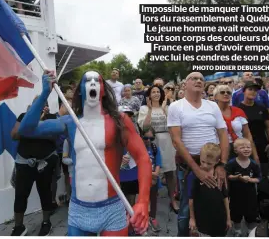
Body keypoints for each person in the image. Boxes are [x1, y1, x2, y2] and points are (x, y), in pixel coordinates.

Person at [18, 70, 151, 236]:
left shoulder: (119, 120)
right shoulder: (70, 122)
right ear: (80, 89)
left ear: (103, 89)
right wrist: (45, 91)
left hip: (111, 208)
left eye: (98, 80)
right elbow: (25, 129)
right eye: (88, 81)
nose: (93, 83)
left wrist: (143, 201)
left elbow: (143, 158)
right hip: (79, 208)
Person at [167, 72, 229, 237]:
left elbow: (223, 134)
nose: (199, 80)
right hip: (190, 165)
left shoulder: (212, 106)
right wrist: (197, 170)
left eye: (201, 79)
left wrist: (222, 164)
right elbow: (176, 141)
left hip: (214, 164)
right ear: (184, 84)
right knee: (187, 208)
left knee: (216, 203)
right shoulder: (176, 106)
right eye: (194, 78)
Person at [10, 96, 58, 236]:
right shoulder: (24, 116)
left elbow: (53, 137)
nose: (41, 105)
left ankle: (46, 222)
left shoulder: (51, 118)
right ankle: (19, 227)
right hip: (24, 162)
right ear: (31, 105)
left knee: (45, 193)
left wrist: (36, 125)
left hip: (45, 161)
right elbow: (14, 135)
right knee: (20, 195)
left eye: (43, 103)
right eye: (37, 103)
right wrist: (30, 121)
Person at [138, 85, 179, 217]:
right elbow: (145, 126)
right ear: (149, 95)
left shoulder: (167, 107)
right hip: (151, 142)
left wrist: (164, 109)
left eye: (158, 92)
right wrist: (150, 110)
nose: (156, 94)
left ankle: (172, 199)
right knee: (151, 172)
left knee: (170, 172)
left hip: (167, 140)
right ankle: (149, 201)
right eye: (153, 92)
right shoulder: (144, 108)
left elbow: (173, 123)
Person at [188, 143, 232, 237]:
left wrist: (228, 218)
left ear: (217, 161)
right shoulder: (194, 176)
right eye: (202, 161)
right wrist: (192, 219)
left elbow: (225, 197)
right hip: (202, 217)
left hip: (219, 217)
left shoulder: (220, 175)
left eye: (209, 163)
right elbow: (191, 199)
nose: (204, 165)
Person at [213, 84, 259, 162]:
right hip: (220, 149)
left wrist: (255, 155)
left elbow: (247, 134)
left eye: (228, 92)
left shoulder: (239, 111)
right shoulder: (211, 113)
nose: (226, 94)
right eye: (222, 92)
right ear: (215, 97)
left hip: (241, 148)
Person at [238, 81, 269, 177]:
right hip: (245, 144)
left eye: (255, 90)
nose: (253, 92)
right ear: (243, 91)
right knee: (248, 172)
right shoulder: (238, 108)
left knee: (264, 171)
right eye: (250, 89)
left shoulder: (261, 108)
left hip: (262, 143)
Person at [226, 138, 261, 236]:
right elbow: (228, 176)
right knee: (236, 214)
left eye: (248, 147)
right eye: (242, 147)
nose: (246, 149)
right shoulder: (232, 163)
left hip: (250, 195)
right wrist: (237, 177)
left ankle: (251, 231)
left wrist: (250, 180)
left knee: (251, 214)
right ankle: (237, 230)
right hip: (235, 195)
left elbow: (258, 178)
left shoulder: (253, 164)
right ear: (236, 150)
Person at [141, 127, 163, 233]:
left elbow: (158, 162)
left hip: (153, 178)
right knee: (143, 199)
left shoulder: (154, 148)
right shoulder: (139, 148)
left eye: (151, 138)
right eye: (145, 138)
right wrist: (151, 174)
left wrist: (156, 173)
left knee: (153, 199)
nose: (148, 141)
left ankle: (152, 217)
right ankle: (143, 219)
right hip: (143, 178)